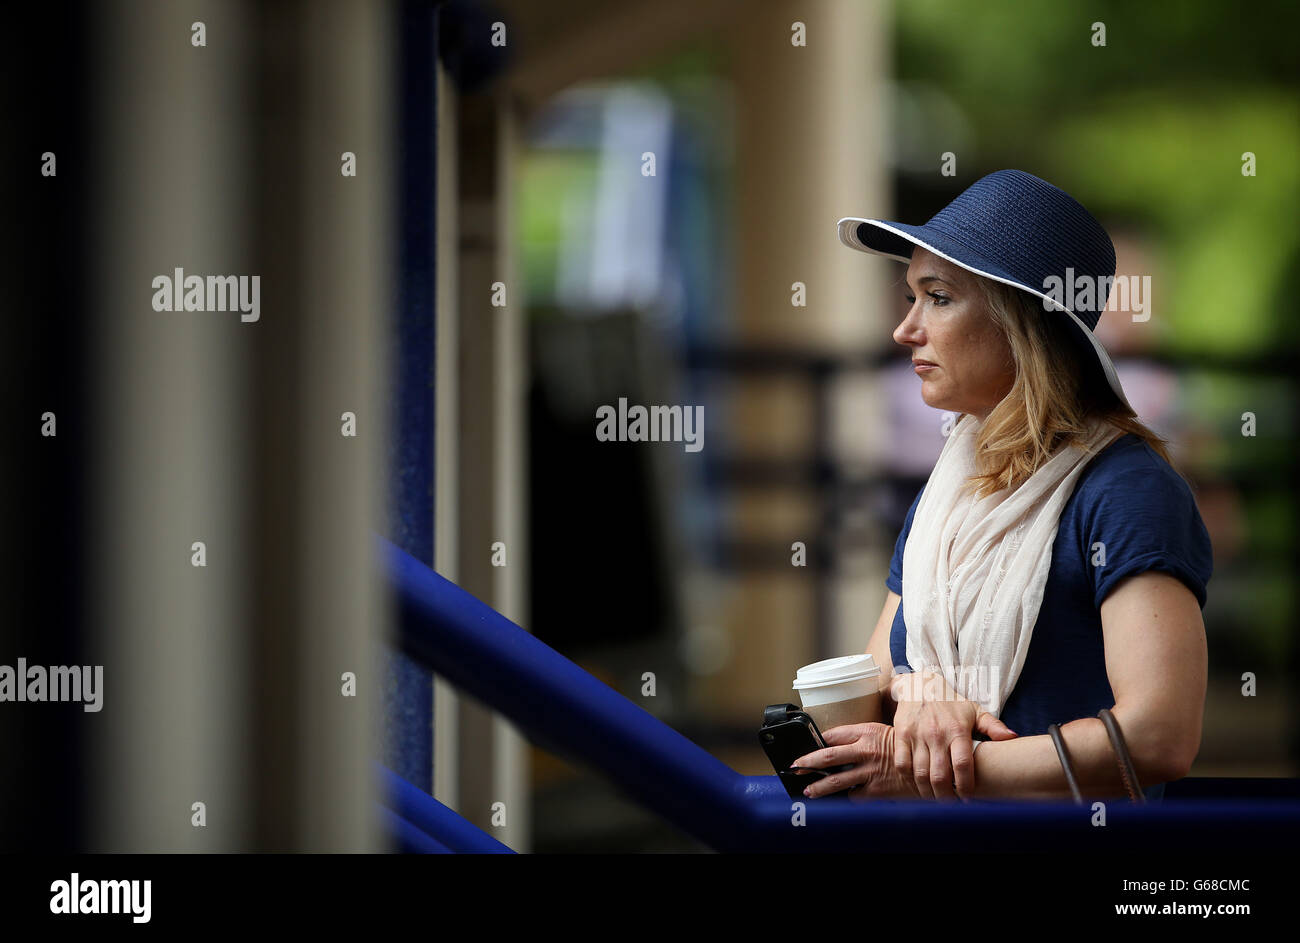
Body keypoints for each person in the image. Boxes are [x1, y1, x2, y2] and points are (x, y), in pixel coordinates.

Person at [792, 170, 1213, 801]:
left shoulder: (1127, 491)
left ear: (1022, 322)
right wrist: (927, 700)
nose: (906, 330)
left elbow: (1159, 737)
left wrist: (936, 770)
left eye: (936, 297)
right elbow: (885, 679)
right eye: (910, 297)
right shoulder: (948, 490)